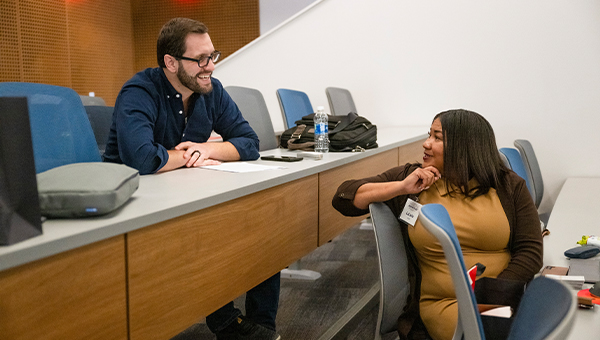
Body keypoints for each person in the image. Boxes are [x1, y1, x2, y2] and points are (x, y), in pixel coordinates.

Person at [103, 17, 281, 340]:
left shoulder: (211, 91)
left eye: (213, 56)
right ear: (170, 63)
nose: (209, 66)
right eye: (200, 59)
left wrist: (206, 150)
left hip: (180, 196)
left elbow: (249, 143)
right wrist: (188, 155)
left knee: (262, 216)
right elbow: (143, 159)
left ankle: (261, 325)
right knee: (207, 236)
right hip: (131, 211)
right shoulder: (139, 91)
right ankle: (227, 322)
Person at [332, 109, 543, 340]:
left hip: (497, 297)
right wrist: (401, 187)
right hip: (445, 305)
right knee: (506, 333)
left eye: (437, 137)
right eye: (428, 135)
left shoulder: (507, 185)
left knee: (543, 326)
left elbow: (530, 252)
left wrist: (492, 294)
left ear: (465, 146)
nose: (426, 144)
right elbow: (344, 197)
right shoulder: (415, 179)